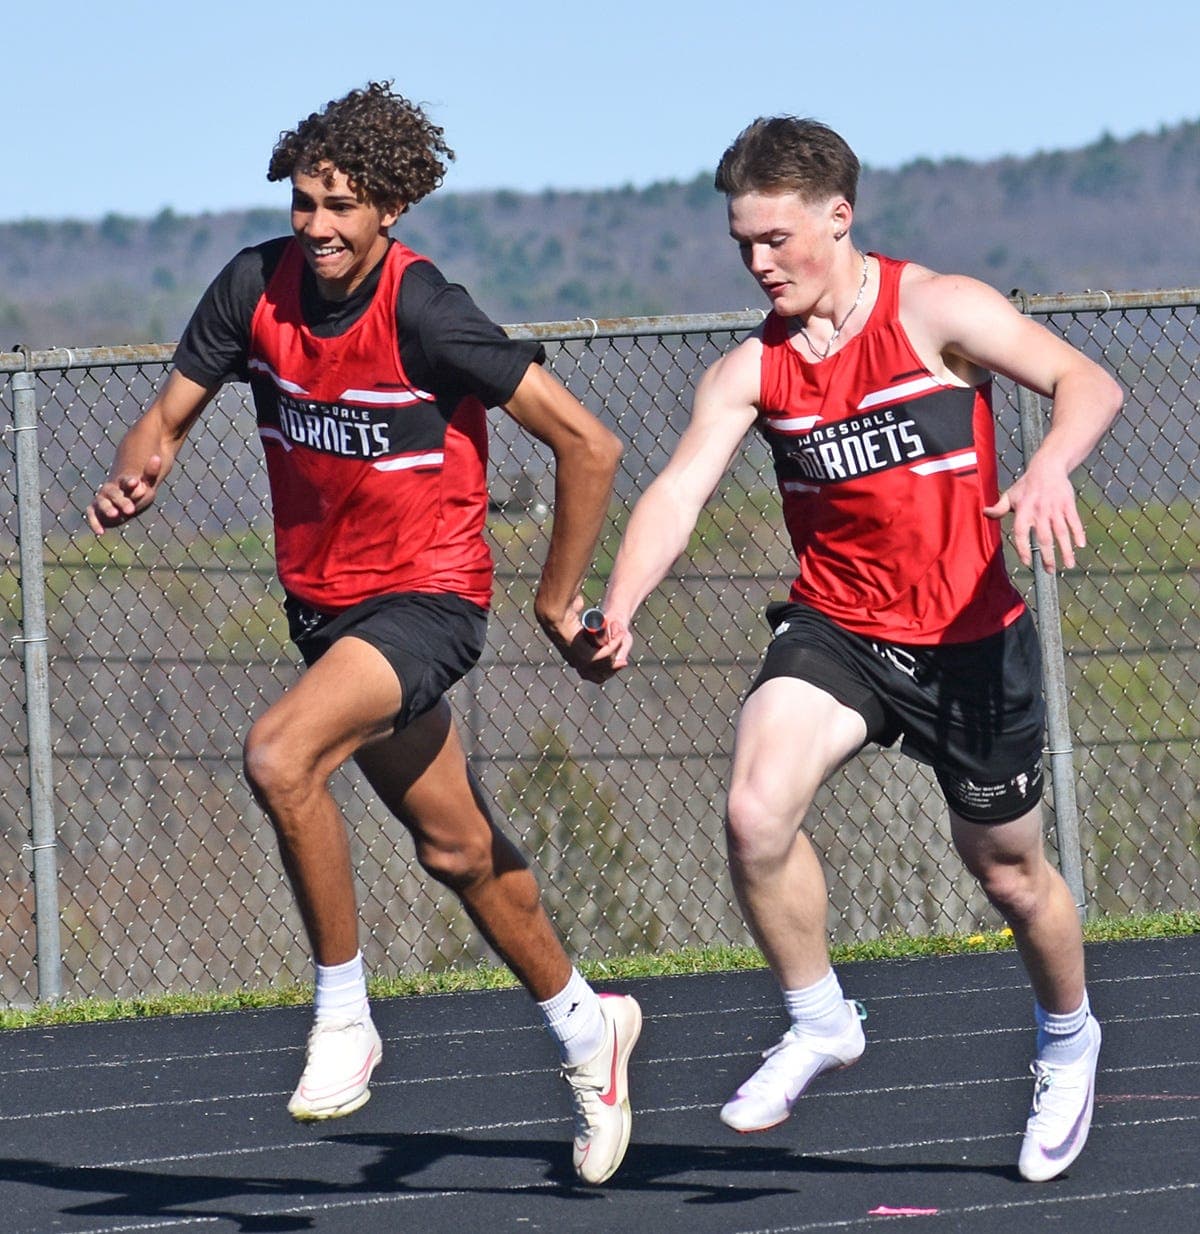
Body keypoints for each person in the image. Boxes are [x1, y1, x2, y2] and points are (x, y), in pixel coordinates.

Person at [86, 81, 640, 1187]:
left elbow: (591, 444)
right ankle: (593, 1032)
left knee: (280, 754)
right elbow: (174, 406)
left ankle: (344, 1009)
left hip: (430, 599)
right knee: (459, 849)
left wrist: (555, 599)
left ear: (391, 208)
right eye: (304, 202)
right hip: (326, 609)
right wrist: (141, 464)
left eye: (342, 206)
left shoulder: (427, 311)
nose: (319, 227)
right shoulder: (255, 285)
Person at [591, 116, 1122, 1182]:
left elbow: (1089, 385)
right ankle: (820, 1015)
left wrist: (1055, 462)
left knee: (1011, 876)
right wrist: (619, 604)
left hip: (971, 641)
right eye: (743, 242)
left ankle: (1069, 1040)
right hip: (839, 628)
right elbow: (680, 490)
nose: (758, 262)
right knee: (755, 809)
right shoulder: (753, 369)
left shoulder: (939, 310)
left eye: (777, 239)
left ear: (839, 217)